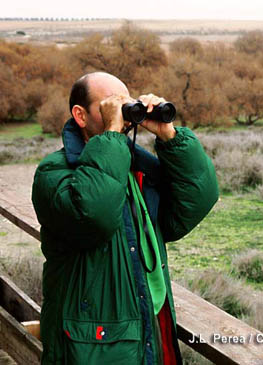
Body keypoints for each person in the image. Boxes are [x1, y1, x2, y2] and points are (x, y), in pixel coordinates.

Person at [31, 72, 219, 364]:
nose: (123, 112)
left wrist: (169, 135)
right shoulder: (54, 173)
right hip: (92, 347)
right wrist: (111, 135)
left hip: (148, 324)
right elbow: (94, 216)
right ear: (80, 115)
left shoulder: (137, 167)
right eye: (111, 104)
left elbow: (196, 202)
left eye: (126, 103)